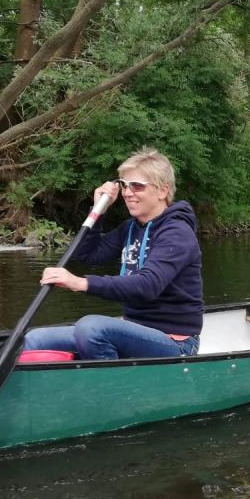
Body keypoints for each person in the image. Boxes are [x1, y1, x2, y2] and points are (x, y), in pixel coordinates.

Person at [23, 148, 203, 359]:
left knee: (91, 328)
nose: (127, 193)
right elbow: (87, 255)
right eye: (124, 185)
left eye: (137, 186)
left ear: (162, 191)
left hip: (174, 342)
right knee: (35, 340)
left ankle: (114, 379)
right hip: (134, 328)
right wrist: (99, 210)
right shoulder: (130, 228)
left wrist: (80, 283)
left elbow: (147, 286)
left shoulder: (177, 232)